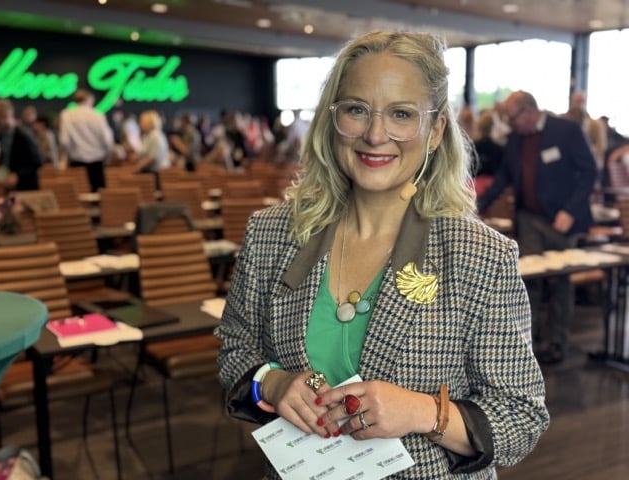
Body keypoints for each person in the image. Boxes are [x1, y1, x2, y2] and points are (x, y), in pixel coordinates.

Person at [216, 31, 549, 479]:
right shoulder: (271, 234)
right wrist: (271, 383)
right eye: (356, 110)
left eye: (401, 114)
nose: (375, 135)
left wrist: (422, 412)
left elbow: (521, 418)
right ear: (333, 119)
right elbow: (235, 349)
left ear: (435, 131)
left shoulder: (481, 257)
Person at [478, 90, 597, 365]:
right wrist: (479, 205)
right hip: (529, 219)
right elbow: (504, 176)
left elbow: (589, 172)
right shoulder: (516, 138)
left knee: (559, 283)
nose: (509, 124)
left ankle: (557, 343)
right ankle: (526, 347)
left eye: (512, 118)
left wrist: (571, 210)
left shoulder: (566, 131)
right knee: (528, 282)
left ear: (529, 112)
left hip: (560, 221)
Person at [58, 88, 115, 192]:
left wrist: (67, 155)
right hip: (97, 161)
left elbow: (64, 140)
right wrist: (108, 156)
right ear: (89, 99)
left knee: (78, 194)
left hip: (76, 161)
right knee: (99, 194)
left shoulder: (66, 115)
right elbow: (107, 140)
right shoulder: (97, 115)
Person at [0, 99, 42, 191]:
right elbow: (5, 161)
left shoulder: (23, 133)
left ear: (3, 116)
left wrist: (17, 175)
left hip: (27, 188)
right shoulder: (2, 134)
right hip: (10, 188)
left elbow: (38, 160)